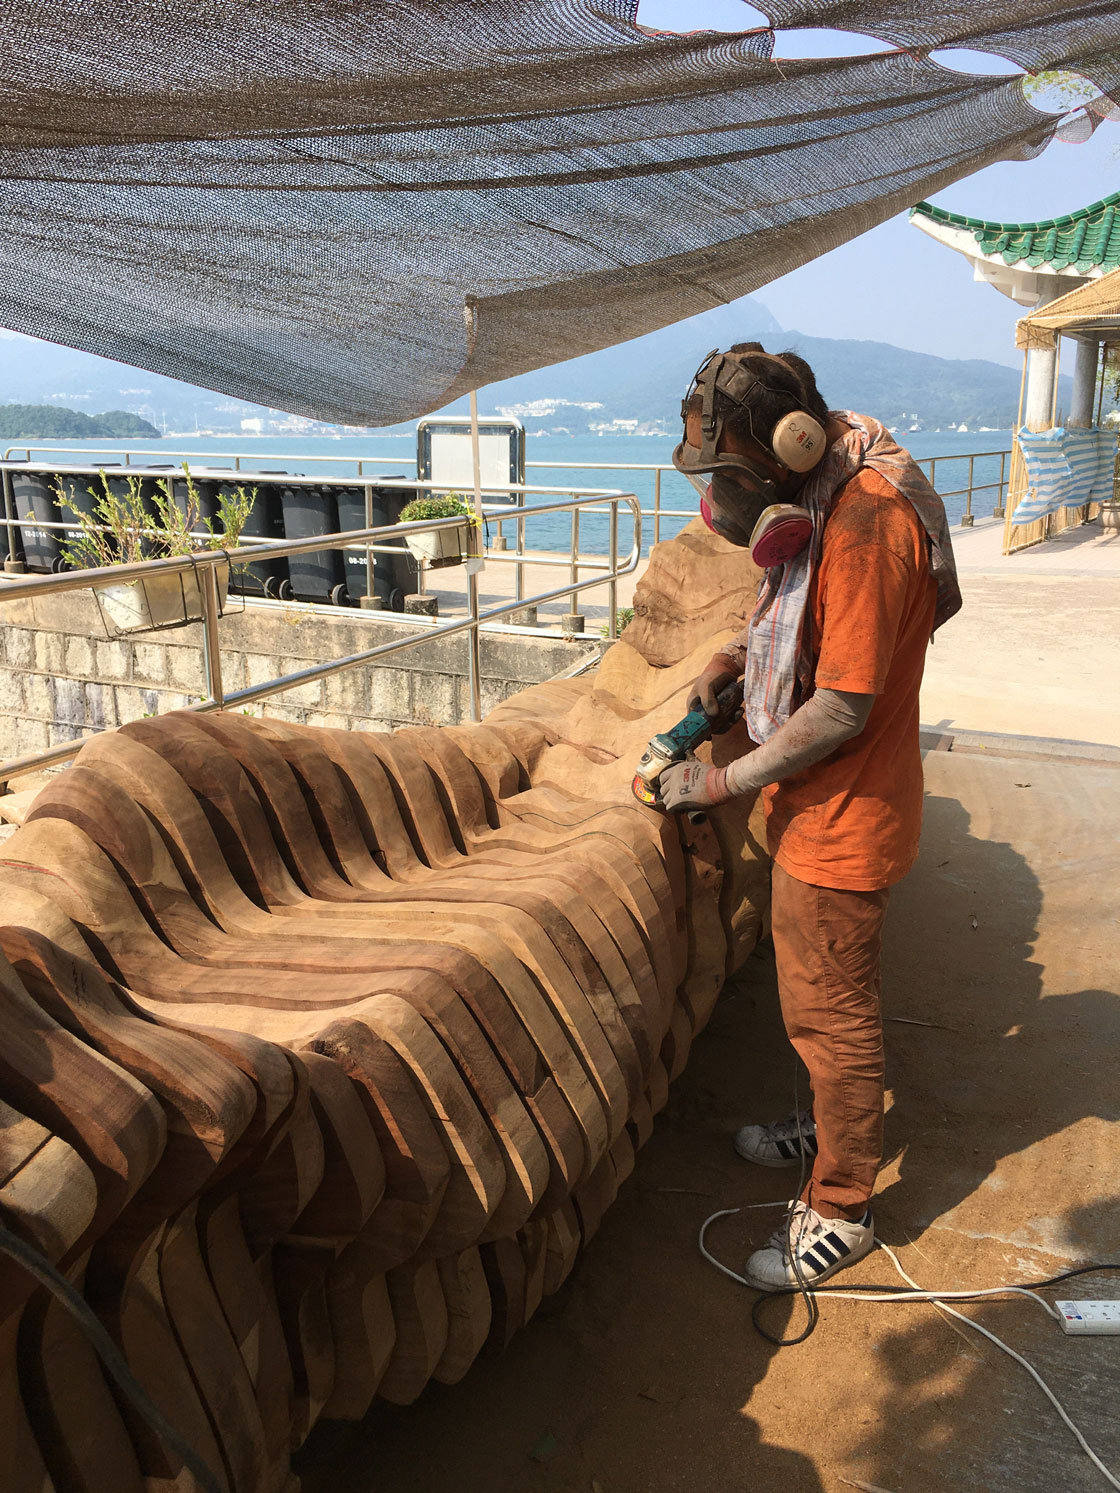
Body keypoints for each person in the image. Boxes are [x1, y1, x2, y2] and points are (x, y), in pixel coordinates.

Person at [660, 343, 961, 1292]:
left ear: (783, 452)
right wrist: (745, 657)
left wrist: (720, 784)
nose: (721, 501)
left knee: (833, 1013)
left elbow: (841, 705)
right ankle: (831, 1125)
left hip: (848, 811)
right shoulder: (829, 482)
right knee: (812, 1006)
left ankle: (842, 1204)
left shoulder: (868, 524)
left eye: (727, 479)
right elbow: (805, 612)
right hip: (818, 802)